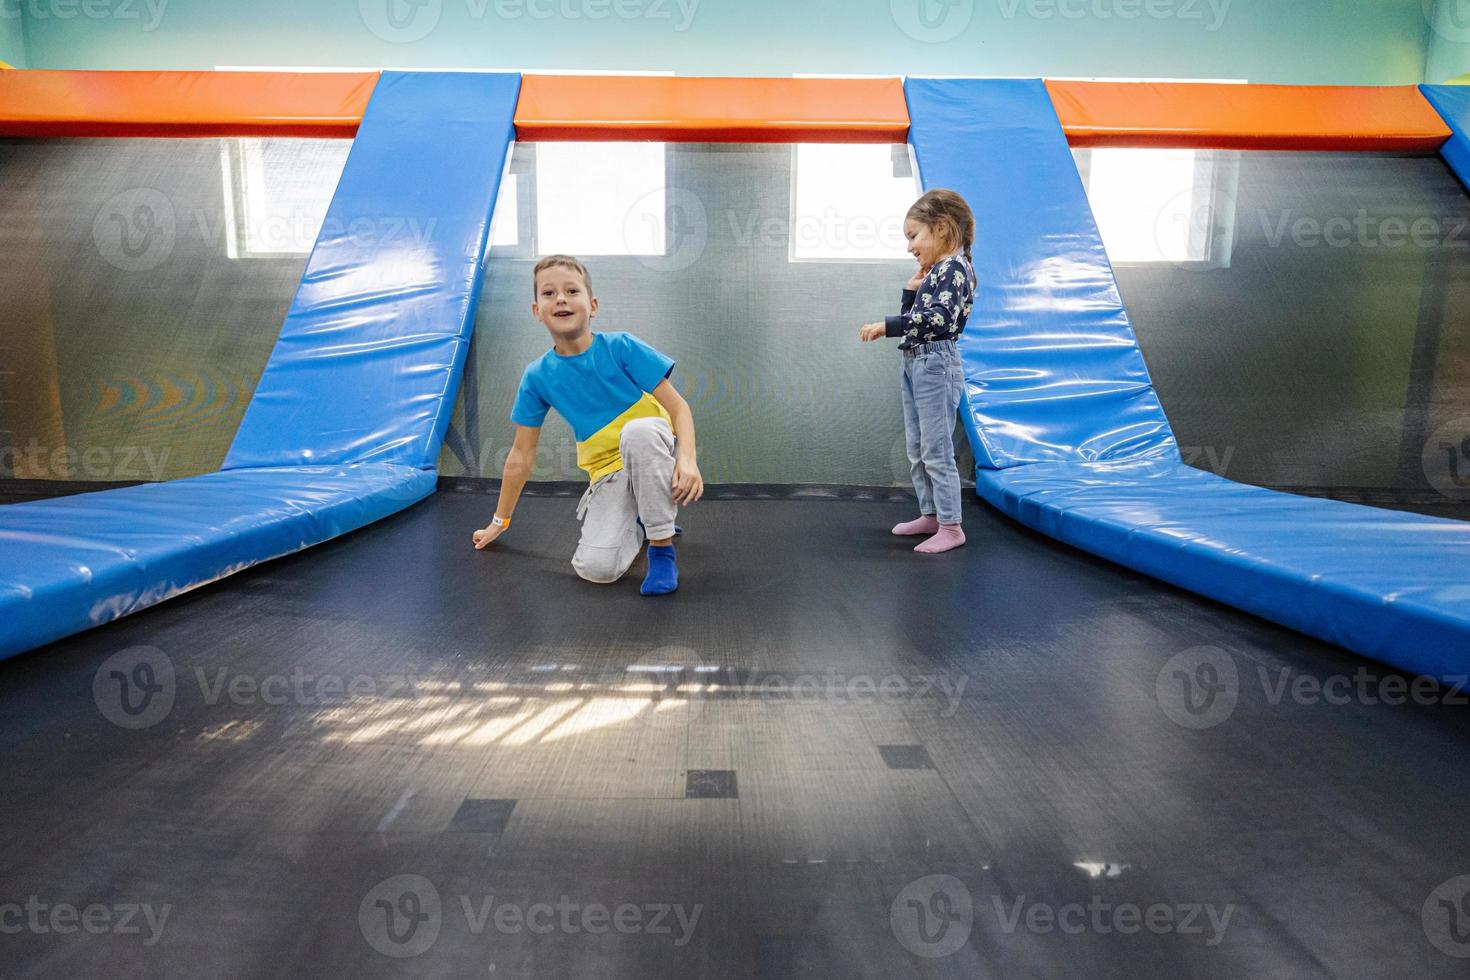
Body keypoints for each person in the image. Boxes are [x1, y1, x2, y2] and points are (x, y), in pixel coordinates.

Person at [472, 254, 703, 594]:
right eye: (548, 294)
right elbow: (521, 454)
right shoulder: (537, 376)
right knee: (596, 569)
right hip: (607, 472)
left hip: (653, 449)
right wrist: (499, 522)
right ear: (537, 311)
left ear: (591, 305)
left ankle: (661, 549)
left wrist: (687, 459)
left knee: (637, 432)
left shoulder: (621, 347)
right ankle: (640, 519)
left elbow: (679, 408)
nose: (561, 298)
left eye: (571, 291)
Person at [859, 189, 977, 555]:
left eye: (914, 236)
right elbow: (920, 319)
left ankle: (951, 525)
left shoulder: (955, 268)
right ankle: (930, 513)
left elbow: (939, 320)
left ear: (940, 228)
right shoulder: (936, 271)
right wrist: (910, 293)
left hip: (936, 363)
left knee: (936, 447)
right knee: (917, 445)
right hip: (916, 360)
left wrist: (888, 324)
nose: (910, 246)